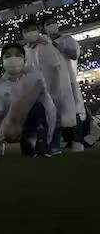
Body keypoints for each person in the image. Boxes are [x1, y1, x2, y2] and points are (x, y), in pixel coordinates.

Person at [20, 18, 76, 154]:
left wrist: (55, 89)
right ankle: (36, 144)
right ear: (22, 34)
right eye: (26, 31)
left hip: (51, 88)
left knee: (54, 118)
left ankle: (53, 144)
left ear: (38, 30)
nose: (30, 33)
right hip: (33, 91)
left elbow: (56, 67)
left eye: (32, 29)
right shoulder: (24, 50)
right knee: (38, 118)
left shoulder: (46, 45)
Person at [0, 43, 56, 157]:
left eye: (17, 55)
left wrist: (48, 138)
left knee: (38, 107)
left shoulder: (35, 76)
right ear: (2, 61)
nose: (13, 59)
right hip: (12, 123)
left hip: (34, 119)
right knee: (7, 128)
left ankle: (39, 142)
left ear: (24, 60)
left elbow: (49, 107)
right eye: (8, 56)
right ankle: (26, 140)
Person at [41, 14, 86, 152]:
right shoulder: (43, 43)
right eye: (48, 23)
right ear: (43, 28)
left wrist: (57, 45)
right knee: (54, 113)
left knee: (76, 110)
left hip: (69, 81)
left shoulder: (67, 38)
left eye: (53, 21)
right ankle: (56, 143)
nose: (52, 24)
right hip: (52, 83)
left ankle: (77, 141)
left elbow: (74, 55)